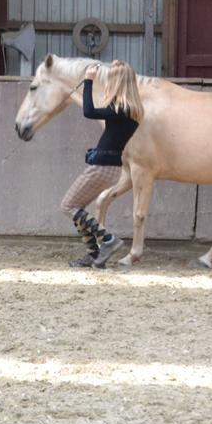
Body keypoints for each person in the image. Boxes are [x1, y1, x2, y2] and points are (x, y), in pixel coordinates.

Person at [60, 59, 145, 269]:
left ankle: (107, 239)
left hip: (101, 166)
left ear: (119, 82)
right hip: (110, 167)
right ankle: (94, 255)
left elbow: (89, 111)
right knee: (77, 208)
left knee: (68, 206)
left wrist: (88, 82)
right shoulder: (132, 110)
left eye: (112, 77)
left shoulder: (121, 109)